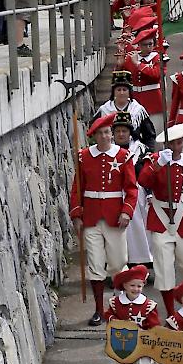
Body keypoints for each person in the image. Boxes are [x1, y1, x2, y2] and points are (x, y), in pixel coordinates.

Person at [69, 115, 138, 326]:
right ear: (94, 136)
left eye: (108, 132)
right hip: (91, 217)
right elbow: (77, 188)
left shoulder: (123, 156)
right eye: (101, 133)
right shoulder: (84, 157)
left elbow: (131, 188)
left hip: (115, 216)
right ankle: (99, 310)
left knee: (118, 263)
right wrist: (76, 214)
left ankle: (121, 308)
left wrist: (127, 211)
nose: (106, 136)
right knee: (96, 264)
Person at [138, 124, 183, 316]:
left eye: (179, 142)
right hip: (161, 222)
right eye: (172, 143)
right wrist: (158, 164)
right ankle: (171, 314)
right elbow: (143, 181)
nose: (176, 146)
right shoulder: (154, 161)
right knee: (164, 271)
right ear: (165, 144)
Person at [105, 264, 160, 364]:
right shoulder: (116, 303)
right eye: (132, 286)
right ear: (124, 286)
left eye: (139, 285)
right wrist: (114, 321)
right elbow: (108, 315)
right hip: (124, 348)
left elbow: (154, 326)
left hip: (144, 349)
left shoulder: (149, 306)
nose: (136, 289)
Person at [109, 112, 153, 267]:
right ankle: (116, 265)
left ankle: (139, 263)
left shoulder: (140, 150)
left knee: (138, 230)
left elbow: (148, 172)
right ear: (113, 133)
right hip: (113, 194)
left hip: (136, 195)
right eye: (118, 131)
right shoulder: (108, 151)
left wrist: (149, 192)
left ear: (130, 132)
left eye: (124, 131)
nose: (121, 134)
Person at [94, 69, 156, 149]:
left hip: (134, 152)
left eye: (124, 90)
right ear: (114, 92)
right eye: (118, 90)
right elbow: (94, 134)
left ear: (129, 91)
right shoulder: (104, 111)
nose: (122, 93)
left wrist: (148, 153)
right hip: (108, 151)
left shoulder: (138, 110)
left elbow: (149, 135)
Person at [122, 28, 164, 137]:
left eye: (150, 44)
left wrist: (138, 64)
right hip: (135, 100)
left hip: (153, 101)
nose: (148, 47)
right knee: (135, 134)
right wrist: (120, 63)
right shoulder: (132, 58)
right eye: (145, 45)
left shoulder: (157, 58)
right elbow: (121, 77)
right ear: (139, 45)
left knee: (156, 134)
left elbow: (156, 75)